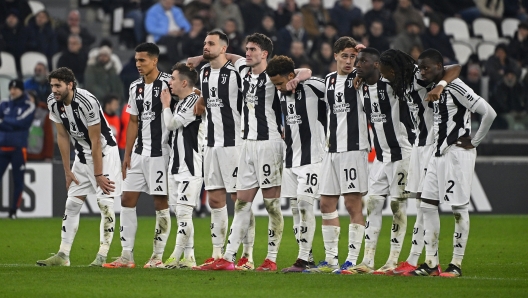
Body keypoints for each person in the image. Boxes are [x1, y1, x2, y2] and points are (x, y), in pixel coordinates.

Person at [188, 33, 311, 271]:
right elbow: (229, 55)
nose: (248, 53)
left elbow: (304, 71)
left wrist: (298, 78)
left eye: (253, 49)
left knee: (272, 205)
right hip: (246, 145)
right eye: (246, 49)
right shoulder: (243, 70)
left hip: (270, 144)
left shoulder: (273, 76)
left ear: (264, 54)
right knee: (242, 204)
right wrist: (198, 57)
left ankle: (271, 259)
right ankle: (228, 258)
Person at [359, 49, 460, 276]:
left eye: (386, 73)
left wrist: (441, 85)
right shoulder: (388, 82)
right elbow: (374, 66)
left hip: (416, 147)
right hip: (400, 152)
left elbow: (455, 68)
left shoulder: (416, 75)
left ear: (393, 70)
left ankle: (405, 259)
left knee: (414, 205)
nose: (384, 77)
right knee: (380, 204)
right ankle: (375, 260)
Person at [406, 49, 496, 277]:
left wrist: (475, 141)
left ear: (439, 66)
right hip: (438, 154)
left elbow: (489, 113)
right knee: (426, 205)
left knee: (458, 209)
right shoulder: (435, 86)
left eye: (427, 68)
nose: (423, 72)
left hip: (457, 153)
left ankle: (455, 264)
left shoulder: (457, 87)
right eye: (421, 68)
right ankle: (431, 262)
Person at [36, 67, 120, 266]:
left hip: (104, 153)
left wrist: (98, 173)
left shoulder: (87, 102)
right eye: (52, 85)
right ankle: (63, 255)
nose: (54, 90)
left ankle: (101, 256)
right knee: (72, 204)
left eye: (58, 85)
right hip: (82, 156)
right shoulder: (53, 103)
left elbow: (96, 141)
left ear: (70, 85)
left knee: (105, 204)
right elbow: (63, 137)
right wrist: (67, 170)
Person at [103, 43, 172, 269]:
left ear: (154, 60)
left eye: (142, 60)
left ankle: (157, 256)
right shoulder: (135, 87)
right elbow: (133, 120)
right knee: (126, 200)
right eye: (136, 60)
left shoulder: (169, 83)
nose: (138, 64)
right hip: (139, 153)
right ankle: (126, 256)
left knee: (160, 202)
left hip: (160, 154)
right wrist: (127, 153)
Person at [187, 31, 252, 271]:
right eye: (204, 43)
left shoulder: (237, 71)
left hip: (234, 143)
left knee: (239, 200)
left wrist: (200, 56)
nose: (205, 46)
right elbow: (206, 97)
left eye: (211, 43)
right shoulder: (203, 72)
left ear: (224, 48)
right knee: (215, 198)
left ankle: (247, 256)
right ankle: (217, 254)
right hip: (211, 144)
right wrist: (201, 101)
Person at [303, 37, 368, 274]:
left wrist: (366, 53)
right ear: (335, 56)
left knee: (352, 204)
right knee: (326, 203)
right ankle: (331, 261)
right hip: (331, 151)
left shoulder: (361, 79)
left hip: (353, 149)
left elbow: (378, 71)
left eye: (353, 57)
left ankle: (351, 260)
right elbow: (305, 77)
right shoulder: (328, 81)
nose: (349, 61)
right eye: (345, 56)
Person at [266, 55, 326, 272]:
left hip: (313, 158)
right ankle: (306, 255)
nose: (278, 88)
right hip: (291, 159)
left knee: (304, 204)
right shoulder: (281, 92)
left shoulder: (312, 87)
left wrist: (304, 73)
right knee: (294, 208)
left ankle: (303, 259)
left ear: (291, 76)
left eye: (280, 83)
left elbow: (330, 86)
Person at [161, 63, 203, 269]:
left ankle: (174, 257)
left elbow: (171, 124)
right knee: (179, 213)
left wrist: (165, 105)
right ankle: (190, 257)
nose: (170, 82)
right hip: (175, 166)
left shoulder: (194, 100)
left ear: (184, 82)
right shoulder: (182, 102)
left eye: (173, 79)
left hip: (191, 166)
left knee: (184, 213)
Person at [0, 80, 35, 219]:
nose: (12, 91)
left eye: (15, 89)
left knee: (18, 180)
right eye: (11, 88)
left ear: (22, 90)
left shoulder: (29, 106)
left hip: (18, 148)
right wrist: (12, 124)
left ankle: (13, 211)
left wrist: (4, 122)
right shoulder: (3, 103)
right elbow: (16, 124)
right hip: (2, 147)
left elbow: (22, 123)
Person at [26, 90, 54, 161]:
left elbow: (49, 136)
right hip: (21, 155)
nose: (28, 101)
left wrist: (48, 155)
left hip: (39, 155)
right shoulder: (17, 114)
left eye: (30, 98)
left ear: (35, 99)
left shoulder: (43, 115)